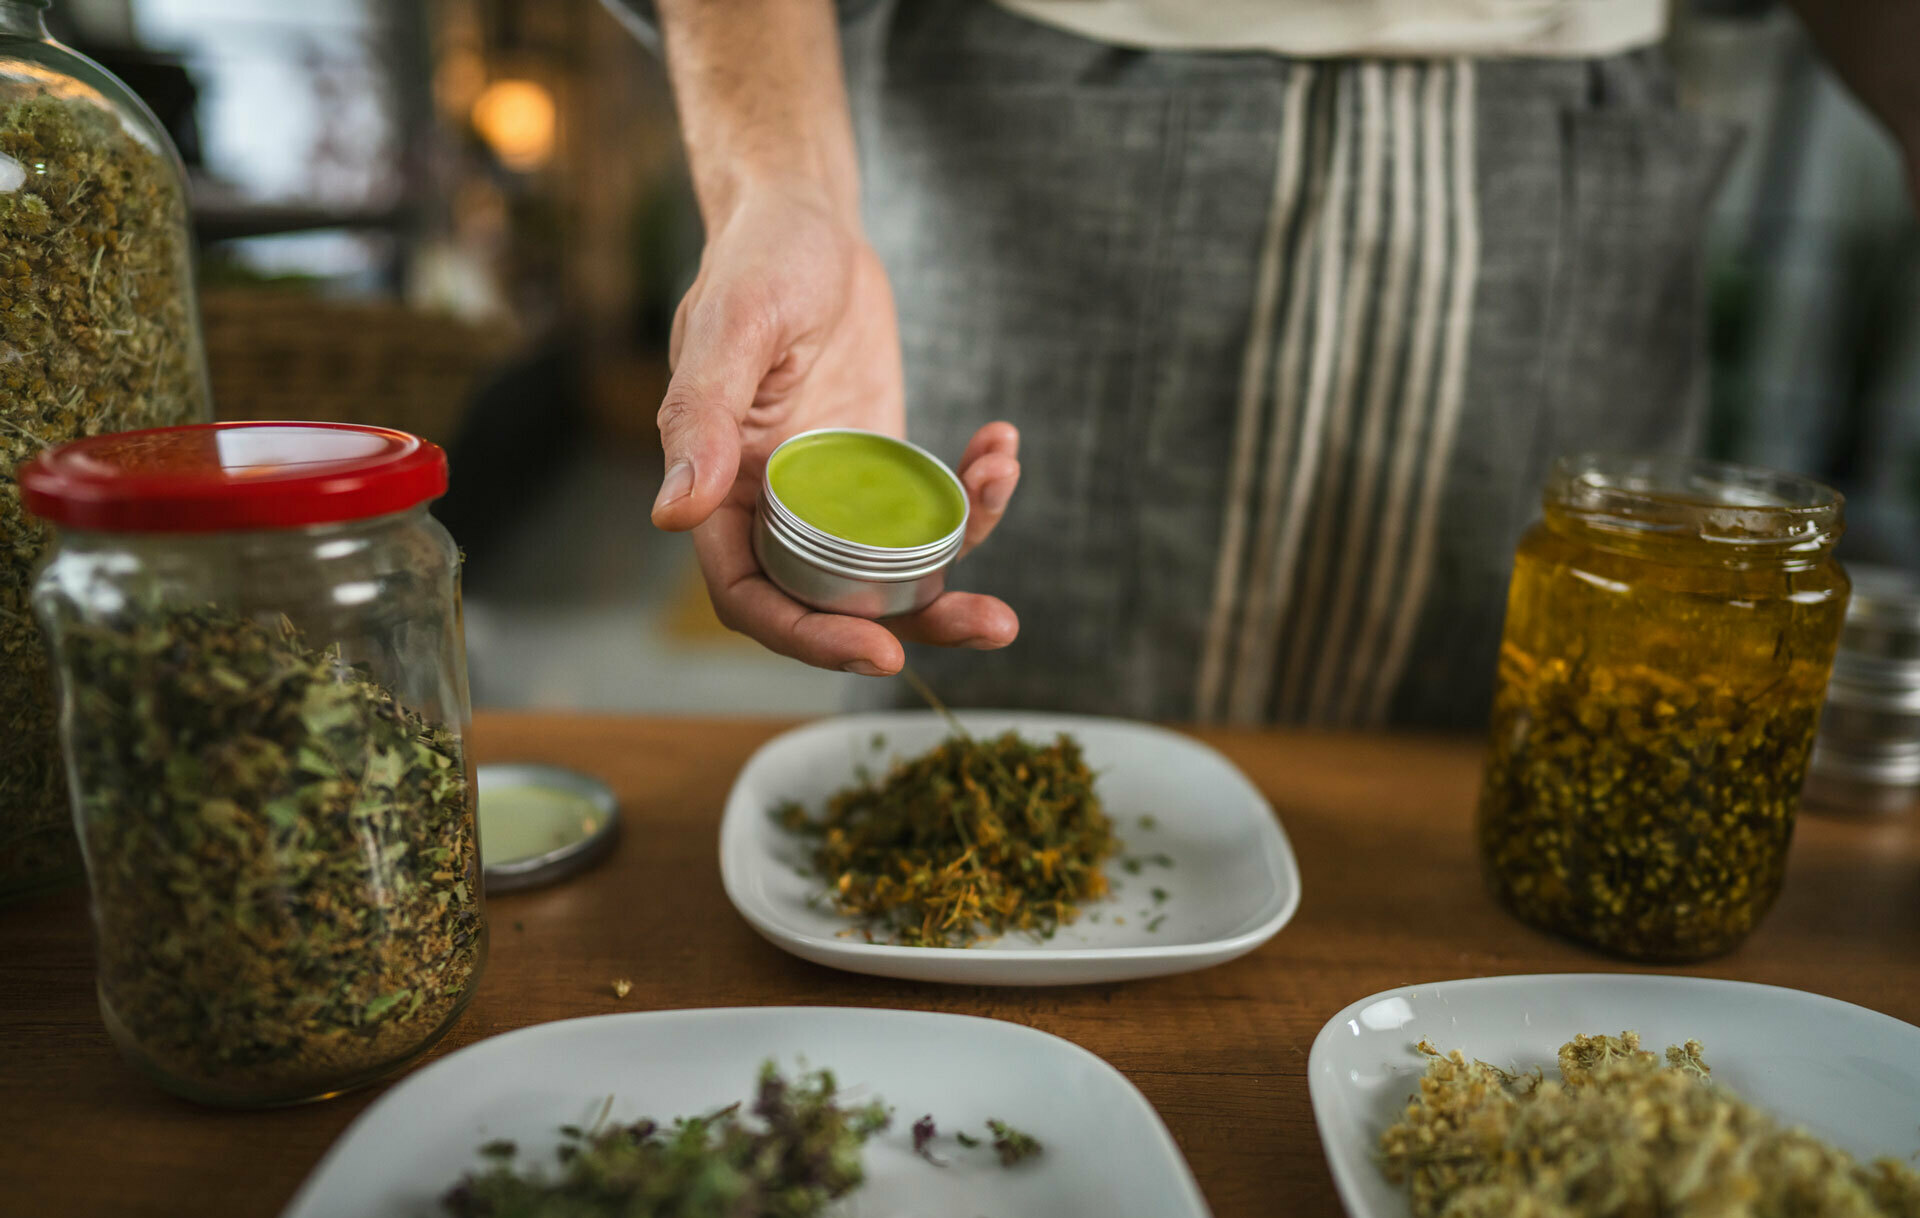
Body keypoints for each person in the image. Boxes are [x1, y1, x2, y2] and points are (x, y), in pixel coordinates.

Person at [607, 0, 1919, 726]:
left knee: (1500, 856)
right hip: (1023, 160)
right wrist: (784, 189)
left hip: (1562, 183)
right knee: (965, 819)